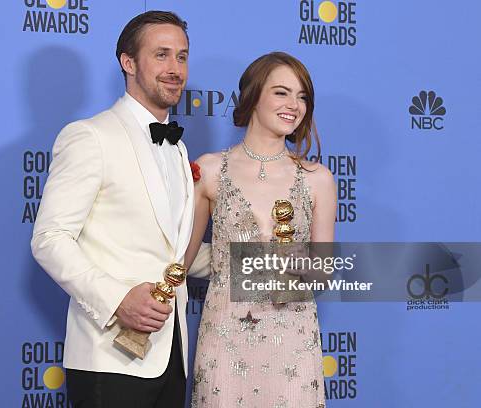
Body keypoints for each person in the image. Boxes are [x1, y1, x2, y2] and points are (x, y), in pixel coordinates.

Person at [31, 11, 198, 408]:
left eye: (182, 56)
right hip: (108, 357)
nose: (175, 68)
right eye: (161, 55)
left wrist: (257, 263)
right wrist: (118, 299)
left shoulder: (178, 148)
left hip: (172, 355)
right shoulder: (90, 136)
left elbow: (175, 250)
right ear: (128, 63)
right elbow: (49, 239)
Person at [185, 52, 336, 407]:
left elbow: (323, 273)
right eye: (282, 92)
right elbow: (183, 256)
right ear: (253, 95)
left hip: (293, 337)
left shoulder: (318, 179)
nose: (294, 105)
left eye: (302, 96)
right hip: (225, 334)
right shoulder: (208, 170)